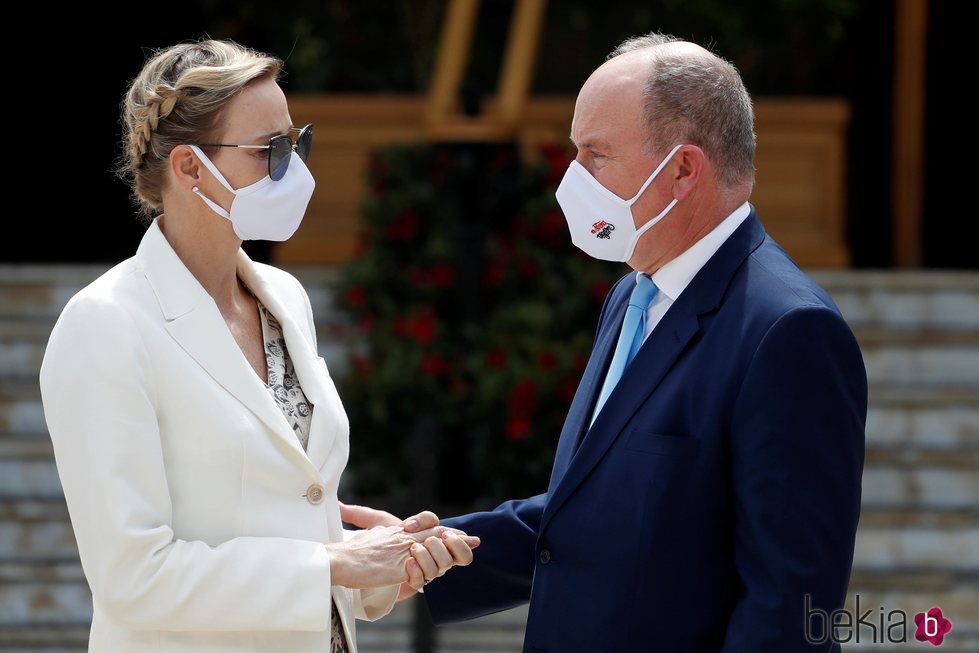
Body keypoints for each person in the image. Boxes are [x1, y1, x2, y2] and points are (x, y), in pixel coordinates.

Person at [345, 32, 867, 652]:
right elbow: (600, 506)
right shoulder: (633, 294)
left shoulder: (789, 331)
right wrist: (432, 554)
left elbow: (791, 605)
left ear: (681, 169)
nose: (572, 179)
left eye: (596, 155)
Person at [38, 39, 479, 653]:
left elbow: (284, 524)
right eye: (271, 150)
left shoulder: (284, 296)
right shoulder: (105, 324)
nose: (294, 168)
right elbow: (131, 579)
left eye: (298, 143)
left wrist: (381, 562)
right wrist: (333, 564)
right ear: (189, 168)